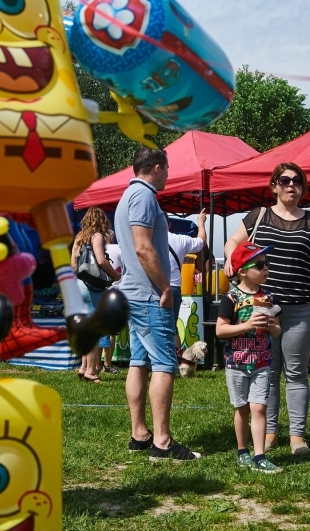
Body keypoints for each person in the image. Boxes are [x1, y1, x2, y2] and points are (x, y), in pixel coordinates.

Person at [224, 162, 310, 455]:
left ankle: (297, 437)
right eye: (285, 180)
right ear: (274, 185)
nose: (292, 185)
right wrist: (232, 259)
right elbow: (232, 242)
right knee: (269, 370)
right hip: (264, 307)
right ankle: (269, 433)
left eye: (297, 182)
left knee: (296, 373)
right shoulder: (258, 216)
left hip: (301, 306)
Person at [116, 146, 200, 461]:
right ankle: (162, 442)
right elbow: (143, 248)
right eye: (167, 168)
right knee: (165, 364)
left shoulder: (128, 196)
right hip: (149, 295)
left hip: (135, 293)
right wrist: (165, 287)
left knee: (139, 361)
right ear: (156, 167)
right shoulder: (143, 196)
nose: (168, 174)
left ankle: (140, 434)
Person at [217, 242, 283, 473]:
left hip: (262, 361)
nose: (266, 269)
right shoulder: (231, 298)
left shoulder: (268, 297)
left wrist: (273, 325)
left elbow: (277, 331)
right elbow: (220, 330)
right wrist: (246, 325)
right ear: (243, 271)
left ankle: (259, 456)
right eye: (260, 264)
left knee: (259, 408)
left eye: (267, 264)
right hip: (236, 362)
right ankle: (242, 450)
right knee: (242, 408)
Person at [71, 207, 121, 383]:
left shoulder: (79, 237)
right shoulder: (97, 236)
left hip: (79, 284)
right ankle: (91, 371)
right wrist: (115, 275)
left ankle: (83, 366)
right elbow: (100, 260)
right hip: (93, 288)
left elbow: (73, 265)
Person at [168, 209, 207, 351]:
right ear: (169, 225)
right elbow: (201, 242)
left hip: (152, 287)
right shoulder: (180, 239)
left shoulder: (146, 240)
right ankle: (176, 359)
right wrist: (200, 223)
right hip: (174, 287)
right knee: (172, 326)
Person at [102, 230, 123, 374]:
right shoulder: (118, 248)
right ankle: (107, 364)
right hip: (115, 293)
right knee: (111, 332)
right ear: (111, 237)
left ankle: (93, 364)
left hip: (97, 292)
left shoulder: (93, 249)